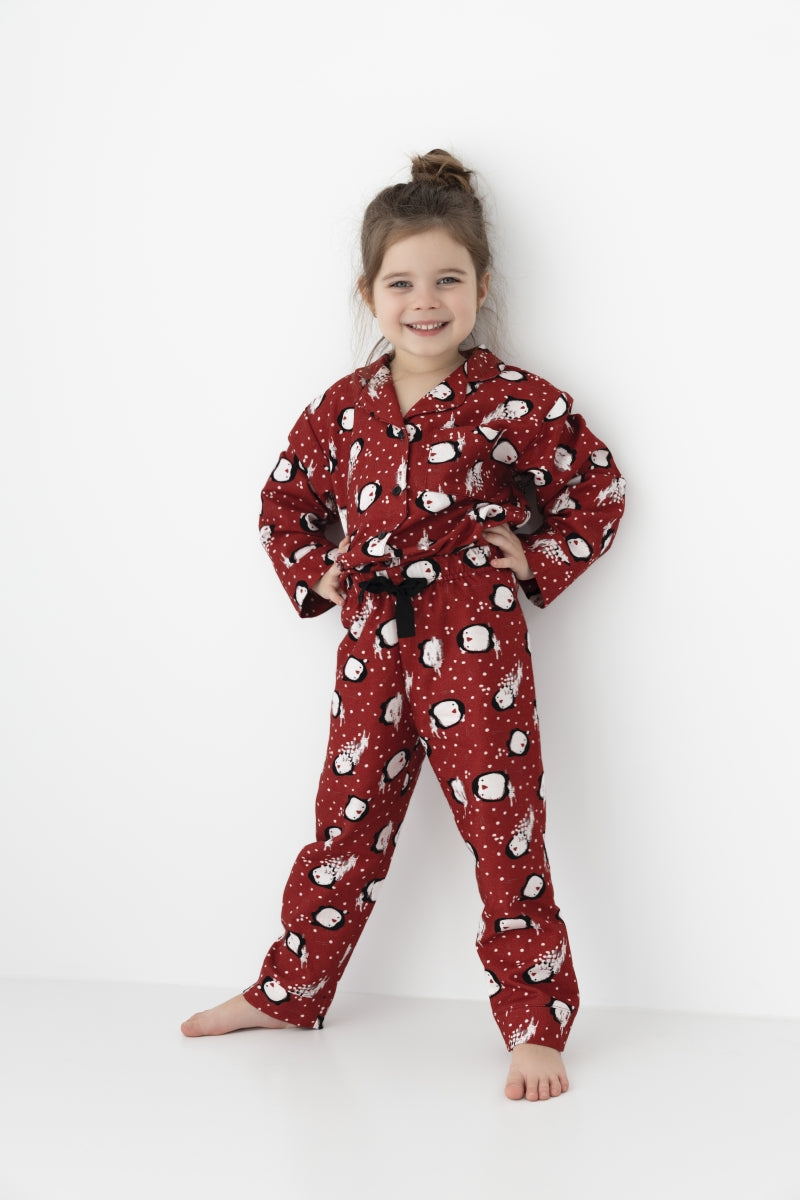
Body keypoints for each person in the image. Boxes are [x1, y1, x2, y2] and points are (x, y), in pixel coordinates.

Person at [182, 150, 626, 1102]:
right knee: (344, 822)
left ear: (482, 288)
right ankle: (291, 990)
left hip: (476, 643)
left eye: (448, 280)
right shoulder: (343, 409)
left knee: (505, 830)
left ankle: (535, 1024)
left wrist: (536, 558)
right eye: (402, 283)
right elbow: (282, 504)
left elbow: (597, 487)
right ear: (370, 294)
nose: (425, 301)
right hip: (372, 644)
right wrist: (319, 572)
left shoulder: (516, 400)